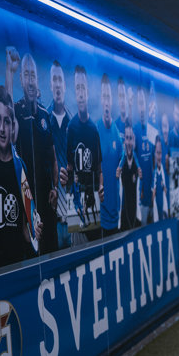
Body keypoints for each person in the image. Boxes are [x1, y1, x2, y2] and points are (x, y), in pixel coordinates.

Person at [0, 85, 43, 269]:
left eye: (6, 121)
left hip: (17, 261)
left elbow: (25, 228)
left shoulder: (20, 168)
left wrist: (35, 233)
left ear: (12, 125)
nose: (2, 128)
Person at [5, 50, 59, 254]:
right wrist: (9, 72)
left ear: (37, 80)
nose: (30, 80)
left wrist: (55, 188)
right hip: (26, 202)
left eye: (33, 75)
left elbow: (54, 159)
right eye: (26, 75)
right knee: (31, 254)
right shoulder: (17, 110)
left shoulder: (45, 115)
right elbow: (7, 116)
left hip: (47, 201)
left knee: (52, 254)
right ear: (21, 79)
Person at [66, 65, 102, 239]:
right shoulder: (71, 128)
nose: (80, 93)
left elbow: (99, 169)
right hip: (76, 201)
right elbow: (69, 167)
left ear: (87, 92)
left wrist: (100, 187)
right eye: (77, 88)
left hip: (92, 197)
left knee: (95, 245)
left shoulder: (94, 130)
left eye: (83, 88)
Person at [48, 60, 72, 248]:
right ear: (51, 85)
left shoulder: (73, 124)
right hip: (53, 219)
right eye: (54, 79)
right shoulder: (44, 121)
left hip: (72, 217)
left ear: (64, 85)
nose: (57, 84)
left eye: (60, 80)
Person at [96, 73, 122, 235]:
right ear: (101, 100)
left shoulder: (117, 134)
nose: (106, 101)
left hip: (117, 215)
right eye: (104, 97)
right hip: (100, 217)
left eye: (109, 97)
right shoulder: (95, 130)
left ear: (112, 101)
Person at [133, 87, 154, 225]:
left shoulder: (152, 129)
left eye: (143, 103)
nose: (141, 107)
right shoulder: (135, 129)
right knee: (143, 227)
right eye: (139, 103)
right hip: (141, 193)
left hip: (153, 191)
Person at [117, 123, 139, 229]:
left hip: (135, 217)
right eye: (127, 138)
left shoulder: (137, 164)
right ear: (124, 140)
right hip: (123, 219)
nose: (129, 142)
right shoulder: (120, 163)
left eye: (131, 138)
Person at [151, 135, 168, 221]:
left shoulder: (162, 170)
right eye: (157, 153)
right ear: (154, 153)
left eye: (160, 153)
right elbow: (153, 190)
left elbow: (164, 187)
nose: (159, 156)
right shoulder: (154, 172)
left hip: (162, 204)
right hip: (156, 205)